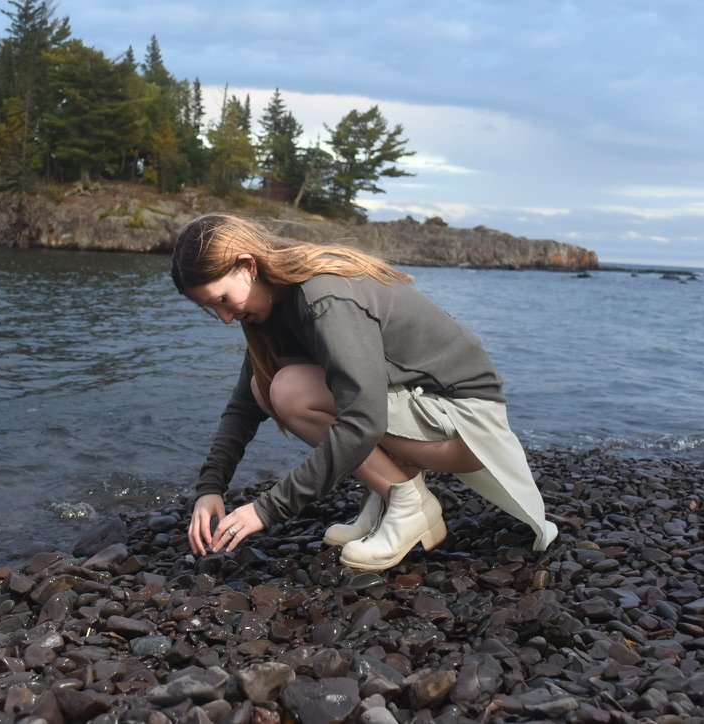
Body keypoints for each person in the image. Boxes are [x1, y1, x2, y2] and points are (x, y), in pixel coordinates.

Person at [172, 213, 557, 571]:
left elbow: (363, 420)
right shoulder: (269, 304)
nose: (224, 318)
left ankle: (409, 507)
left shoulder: (322, 295)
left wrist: (266, 510)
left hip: (467, 425)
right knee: (264, 385)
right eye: (212, 309)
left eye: (223, 300)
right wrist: (211, 488)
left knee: (289, 392)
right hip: (425, 411)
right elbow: (243, 406)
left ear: (248, 265)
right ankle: (391, 494)